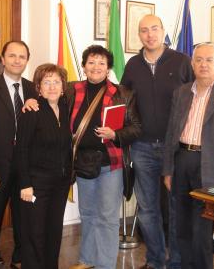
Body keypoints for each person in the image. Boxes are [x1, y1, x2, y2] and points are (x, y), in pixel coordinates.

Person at [120, 14, 194, 269]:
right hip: (141, 147)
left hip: (176, 148)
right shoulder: (132, 65)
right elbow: (123, 103)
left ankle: (175, 262)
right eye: (144, 30)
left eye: (154, 29)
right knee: (148, 208)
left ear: (163, 31)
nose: (149, 34)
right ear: (138, 35)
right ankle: (154, 261)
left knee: (176, 209)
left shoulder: (182, 61)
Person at [66, 45, 141, 269]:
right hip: (83, 164)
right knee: (87, 213)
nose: (96, 67)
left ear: (108, 68)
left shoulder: (124, 93)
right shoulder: (71, 90)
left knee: (107, 217)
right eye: (91, 62)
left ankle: (105, 264)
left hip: (111, 164)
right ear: (84, 65)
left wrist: (115, 134)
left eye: (101, 63)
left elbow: (136, 128)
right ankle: (87, 259)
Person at [163, 42, 214, 269]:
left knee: (202, 227)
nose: (203, 64)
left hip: (211, 164)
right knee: (182, 223)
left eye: (209, 60)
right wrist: (168, 169)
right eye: (198, 59)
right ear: (191, 63)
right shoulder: (182, 92)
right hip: (182, 160)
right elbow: (171, 132)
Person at [0, 40, 36, 269]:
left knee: (24, 217)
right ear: (3, 59)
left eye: (22, 57)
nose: (17, 60)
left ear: (27, 61)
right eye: (12, 56)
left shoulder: (33, 89)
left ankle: (20, 257)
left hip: (25, 168)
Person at [16, 63, 72, 269]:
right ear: (38, 87)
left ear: (63, 86)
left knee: (54, 232)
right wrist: (25, 184)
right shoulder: (32, 110)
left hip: (60, 184)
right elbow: (21, 150)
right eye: (46, 82)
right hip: (36, 184)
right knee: (34, 235)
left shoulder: (66, 109)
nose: (52, 87)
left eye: (56, 82)